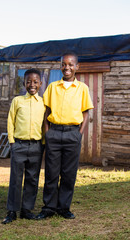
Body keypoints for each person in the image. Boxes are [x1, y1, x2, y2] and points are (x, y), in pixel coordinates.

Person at [36, 52, 94, 220]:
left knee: (69, 174)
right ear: (60, 66)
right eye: (63, 64)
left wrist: (79, 134)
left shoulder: (82, 88)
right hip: (54, 133)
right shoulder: (53, 87)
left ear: (77, 67)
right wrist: (48, 132)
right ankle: (48, 207)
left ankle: (63, 207)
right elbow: (46, 112)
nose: (66, 67)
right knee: (51, 173)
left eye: (70, 64)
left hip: (72, 134)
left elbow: (86, 113)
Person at [2, 69, 45, 224]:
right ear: (24, 83)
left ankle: (27, 210)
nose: (31, 84)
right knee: (16, 179)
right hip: (18, 145)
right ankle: (12, 211)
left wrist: (43, 144)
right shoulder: (17, 101)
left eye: (35, 81)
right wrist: (12, 142)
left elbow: (45, 124)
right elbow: (10, 121)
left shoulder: (43, 103)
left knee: (32, 179)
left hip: (36, 146)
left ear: (40, 83)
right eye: (28, 81)